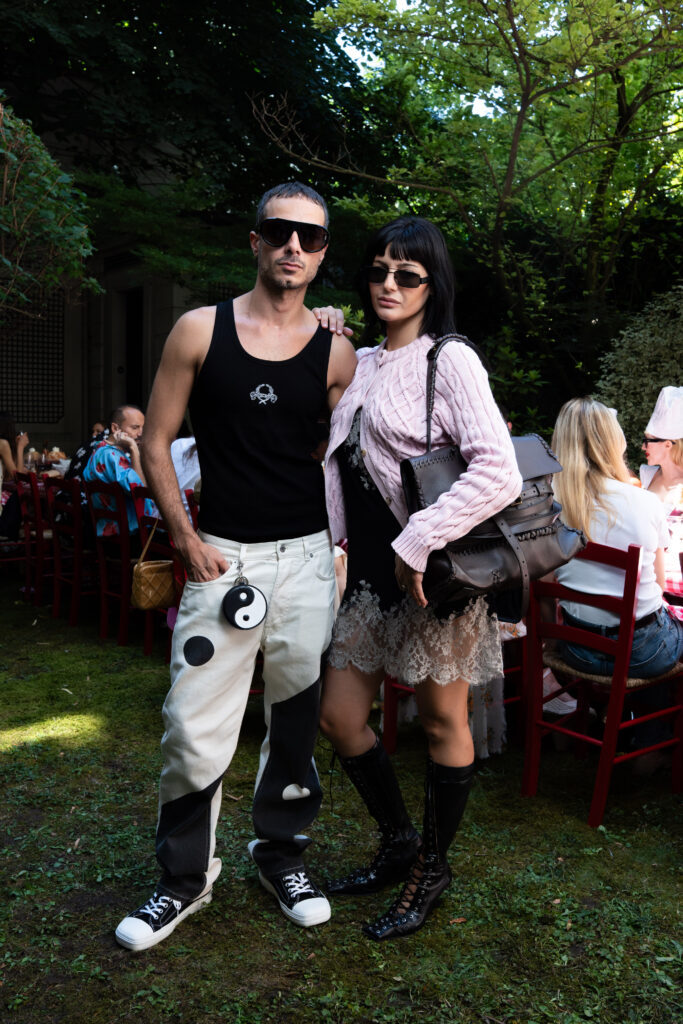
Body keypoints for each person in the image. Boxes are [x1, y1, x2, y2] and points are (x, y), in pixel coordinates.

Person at [114, 182, 357, 952]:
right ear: (255, 240)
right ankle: (184, 879)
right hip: (221, 560)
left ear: (322, 254)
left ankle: (279, 854)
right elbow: (155, 442)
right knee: (192, 725)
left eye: (311, 238)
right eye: (279, 231)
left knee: (295, 721)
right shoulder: (198, 330)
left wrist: (342, 550)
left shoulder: (337, 352)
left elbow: (347, 455)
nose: (294, 246)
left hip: (307, 561)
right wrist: (184, 539)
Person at [319, 216, 521, 940]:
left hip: (435, 573)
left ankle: (431, 869)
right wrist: (322, 329)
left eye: (407, 275)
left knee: (441, 721)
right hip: (370, 574)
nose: (389, 285)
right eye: (378, 270)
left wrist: (417, 538)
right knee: (339, 717)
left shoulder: (450, 358)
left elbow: (498, 470)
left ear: (432, 285)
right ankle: (399, 840)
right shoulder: (363, 360)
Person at [550, 398, 683, 703]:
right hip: (642, 652)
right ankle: (653, 726)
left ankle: (617, 715)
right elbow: (659, 586)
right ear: (613, 442)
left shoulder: (549, 507)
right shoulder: (644, 501)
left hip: (576, 649)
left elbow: (545, 586)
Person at [640, 386, 683, 621]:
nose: (643, 446)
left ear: (668, 444)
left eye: (649, 441)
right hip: (649, 587)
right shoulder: (645, 477)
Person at [83, 405, 146, 537]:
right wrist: (134, 449)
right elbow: (139, 491)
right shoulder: (110, 455)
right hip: (128, 532)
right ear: (115, 428)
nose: (141, 433)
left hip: (116, 528)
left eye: (142, 428)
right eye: (135, 428)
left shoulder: (102, 449)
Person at [0, 411, 29, 540]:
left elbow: (7, 475)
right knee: (22, 495)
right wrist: (20, 447)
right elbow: (17, 477)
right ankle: (13, 538)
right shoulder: (2, 444)